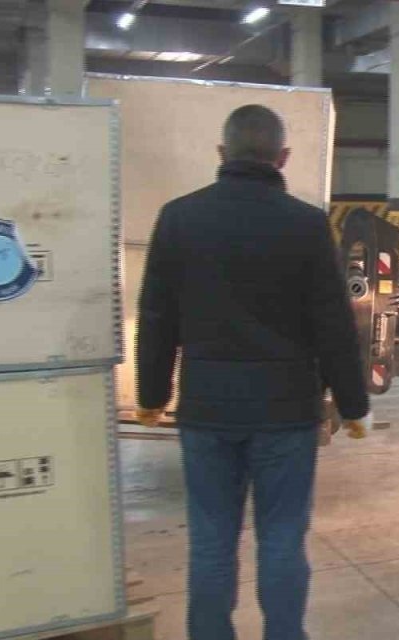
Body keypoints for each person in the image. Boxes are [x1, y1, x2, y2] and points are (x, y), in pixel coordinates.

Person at [135, 105, 371, 640]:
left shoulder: (179, 218)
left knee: (211, 542)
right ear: (282, 158)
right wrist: (353, 405)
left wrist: (152, 394)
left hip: (206, 411)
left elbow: (156, 317)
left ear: (222, 153)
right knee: (282, 540)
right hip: (286, 414)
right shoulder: (306, 224)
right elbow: (333, 325)